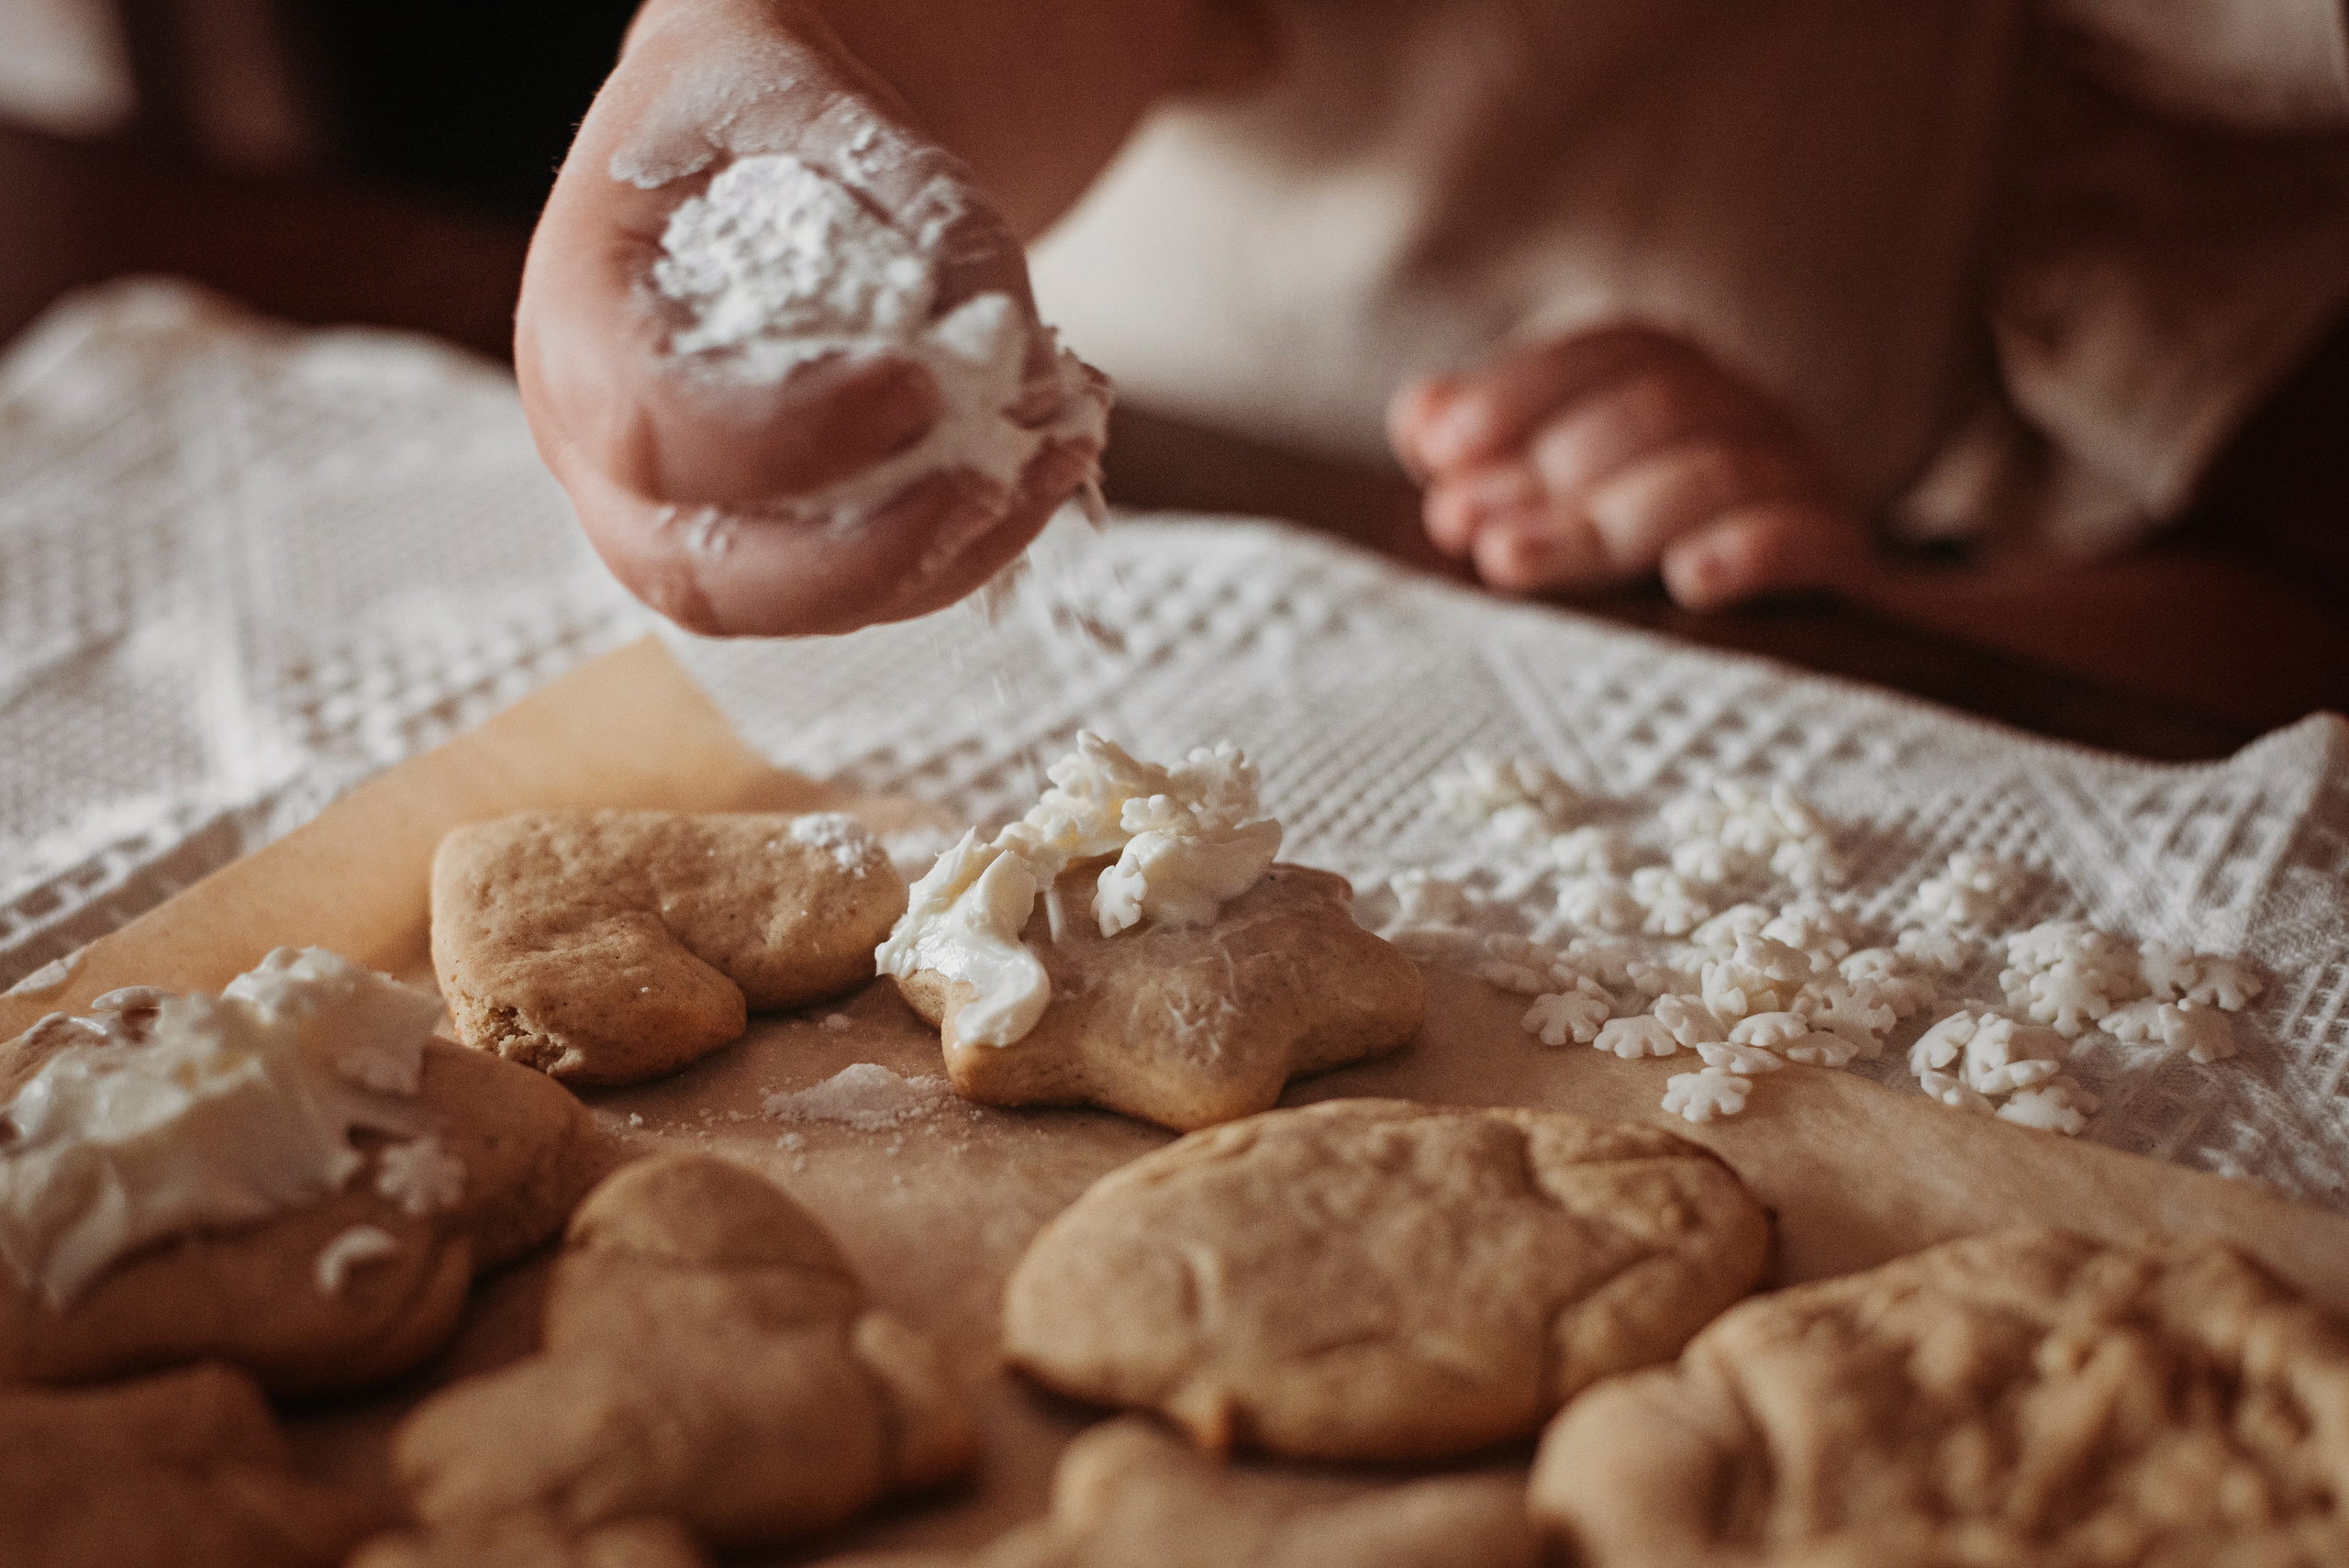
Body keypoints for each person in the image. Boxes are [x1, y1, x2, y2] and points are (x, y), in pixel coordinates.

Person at [517, 0, 2349, 639]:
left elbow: (2281, 620)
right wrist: (783, 54)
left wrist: (1857, 613)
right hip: (1091, 512)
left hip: (1799, 653)